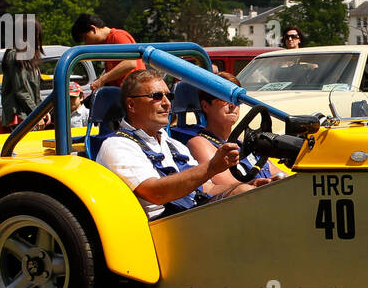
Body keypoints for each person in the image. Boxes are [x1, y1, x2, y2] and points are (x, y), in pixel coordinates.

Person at [96, 70, 240, 219]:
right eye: (157, 96)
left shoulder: (173, 144)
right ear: (131, 105)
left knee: (245, 192)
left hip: (192, 216)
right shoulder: (118, 146)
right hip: (161, 227)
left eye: (169, 96)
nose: (167, 103)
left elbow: (207, 188)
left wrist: (252, 187)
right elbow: (155, 193)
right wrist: (211, 167)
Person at [187, 73, 289, 197]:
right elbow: (231, 187)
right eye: (224, 99)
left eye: (236, 100)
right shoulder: (199, 142)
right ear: (205, 106)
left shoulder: (242, 141)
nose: (233, 105)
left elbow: (276, 172)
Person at [72, 13, 140, 94]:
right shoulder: (107, 43)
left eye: (85, 38)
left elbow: (130, 63)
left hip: (135, 93)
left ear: (93, 29)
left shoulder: (117, 36)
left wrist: (103, 79)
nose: (86, 44)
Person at [1, 18, 45, 130]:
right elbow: (21, 91)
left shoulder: (29, 57)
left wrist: (43, 111)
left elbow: (34, 92)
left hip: (30, 115)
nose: (38, 37)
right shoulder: (15, 55)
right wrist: (37, 114)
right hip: (20, 116)